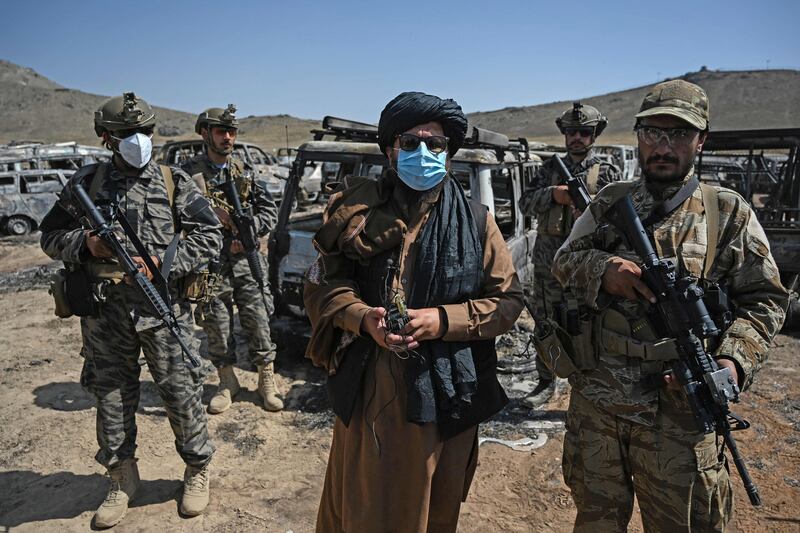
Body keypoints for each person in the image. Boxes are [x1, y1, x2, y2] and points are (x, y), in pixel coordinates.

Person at [551, 79, 789, 531]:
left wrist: (732, 362)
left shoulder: (727, 213)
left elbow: (765, 301)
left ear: (701, 141)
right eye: (653, 133)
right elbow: (565, 261)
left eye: (678, 134)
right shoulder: (609, 202)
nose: (664, 146)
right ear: (638, 136)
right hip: (599, 404)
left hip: (679, 414)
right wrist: (606, 270)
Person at [304, 91, 524, 533]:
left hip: (449, 386)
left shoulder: (478, 221)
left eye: (435, 144)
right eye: (410, 143)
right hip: (373, 380)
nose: (423, 153)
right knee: (364, 504)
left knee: (433, 507)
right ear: (391, 150)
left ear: (448, 152)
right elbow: (322, 285)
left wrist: (442, 320)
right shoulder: (355, 212)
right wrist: (362, 317)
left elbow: (508, 302)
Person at [40, 92, 222, 527]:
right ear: (106, 137)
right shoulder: (87, 184)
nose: (138, 140)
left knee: (181, 394)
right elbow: (49, 237)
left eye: (144, 132)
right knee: (112, 397)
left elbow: (209, 237)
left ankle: (197, 470)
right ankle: (123, 478)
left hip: (164, 310)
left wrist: (163, 263)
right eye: (126, 134)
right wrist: (86, 244)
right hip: (105, 314)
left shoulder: (173, 179)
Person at [518, 102, 621, 408]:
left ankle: (589, 383)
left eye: (584, 132)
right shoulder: (549, 170)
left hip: (585, 264)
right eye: (571, 132)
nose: (577, 138)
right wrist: (554, 194)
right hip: (549, 263)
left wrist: (591, 215)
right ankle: (546, 381)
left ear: (594, 135)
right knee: (546, 322)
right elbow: (525, 204)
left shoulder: (607, 172)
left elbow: (618, 220)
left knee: (589, 325)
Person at [181, 105, 283, 413]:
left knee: (258, 321)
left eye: (232, 132)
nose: (228, 138)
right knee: (217, 326)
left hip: (245, 261)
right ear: (204, 133)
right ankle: (227, 382)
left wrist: (249, 231)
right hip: (210, 264)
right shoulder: (188, 176)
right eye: (221, 132)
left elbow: (269, 212)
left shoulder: (245, 171)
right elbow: (176, 217)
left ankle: (267, 382)